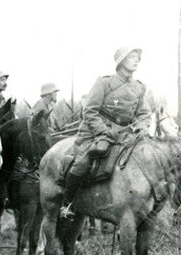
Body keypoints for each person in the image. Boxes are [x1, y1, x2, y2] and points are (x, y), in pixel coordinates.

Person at [60, 47, 151, 218]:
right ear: (122, 61)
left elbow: (144, 113)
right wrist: (104, 131)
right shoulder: (104, 83)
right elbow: (89, 111)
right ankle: (67, 204)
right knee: (85, 160)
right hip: (98, 131)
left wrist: (143, 127)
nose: (137, 60)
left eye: (138, 57)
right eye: (132, 57)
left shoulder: (139, 87)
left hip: (127, 133)